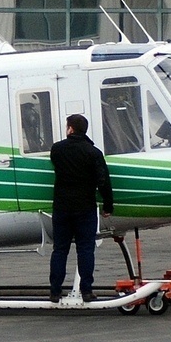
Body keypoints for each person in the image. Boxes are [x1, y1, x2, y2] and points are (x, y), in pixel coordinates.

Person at [49, 113, 114, 303]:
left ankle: (55, 291)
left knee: (60, 249)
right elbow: (103, 181)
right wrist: (108, 205)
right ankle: (86, 290)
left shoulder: (57, 150)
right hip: (85, 206)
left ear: (70, 129)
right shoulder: (93, 153)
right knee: (85, 249)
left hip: (62, 206)